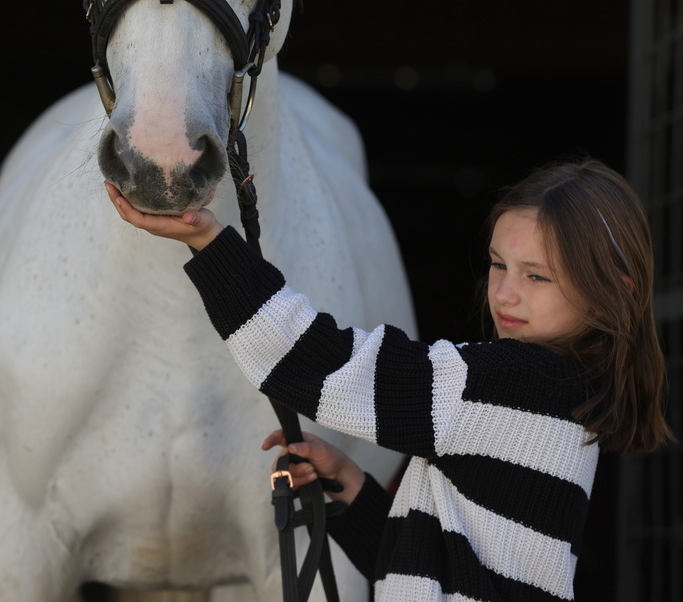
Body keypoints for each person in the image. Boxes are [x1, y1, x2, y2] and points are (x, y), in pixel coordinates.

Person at [105, 156, 674, 601]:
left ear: (613, 290)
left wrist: (209, 243)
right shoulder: (564, 400)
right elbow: (435, 571)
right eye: (499, 265)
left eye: (538, 276)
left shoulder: (515, 384)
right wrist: (349, 485)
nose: (504, 293)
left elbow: (320, 363)